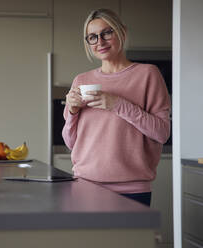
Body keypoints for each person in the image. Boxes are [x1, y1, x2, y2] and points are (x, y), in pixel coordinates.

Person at [62, 8, 171, 206]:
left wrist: (118, 105)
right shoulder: (81, 80)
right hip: (85, 186)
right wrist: (72, 112)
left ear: (122, 32)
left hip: (132, 190)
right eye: (92, 37)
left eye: (107, 32)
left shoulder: (148, 74)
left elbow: (162, 133)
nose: (100, 42)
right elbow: (70, 142)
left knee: (130, 239)